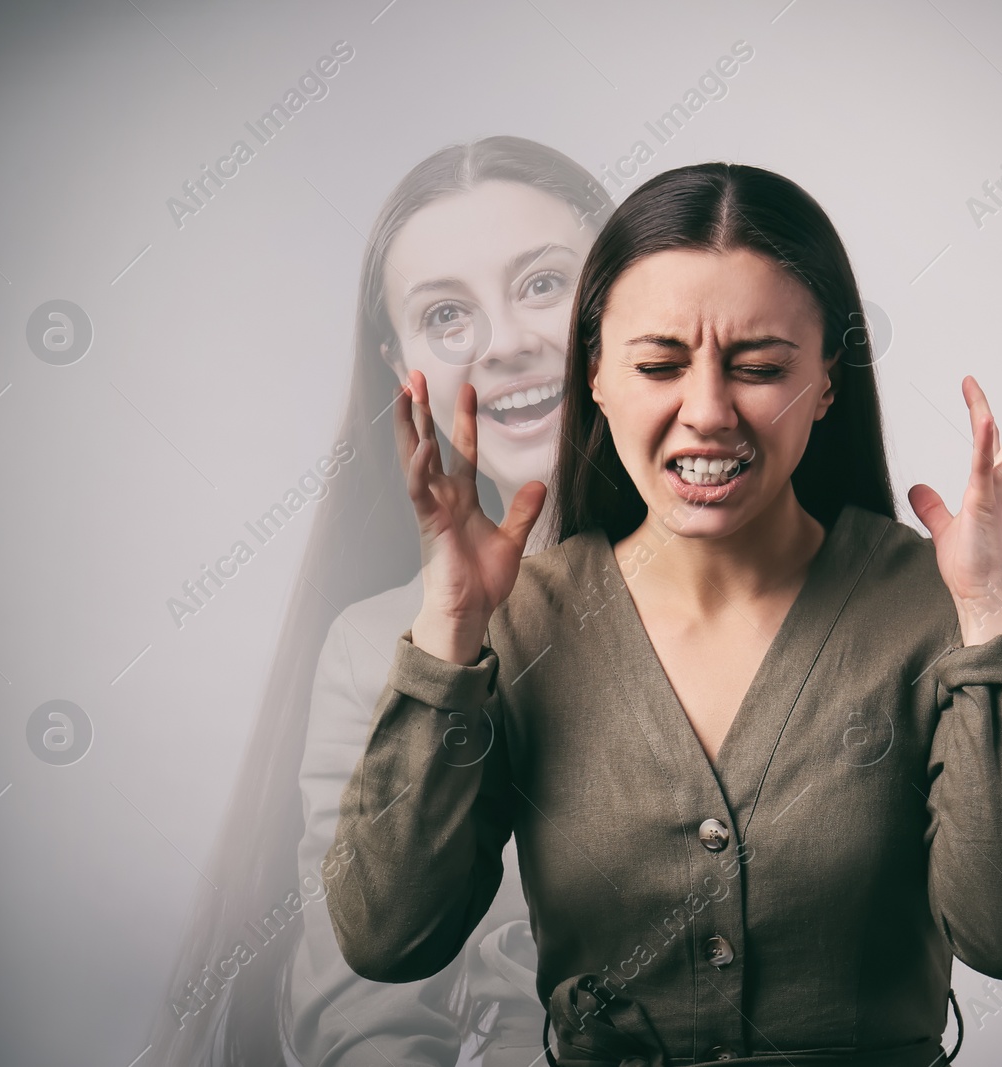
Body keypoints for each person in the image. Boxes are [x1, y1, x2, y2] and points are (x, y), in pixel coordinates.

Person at [325, 161, 1002, 1066]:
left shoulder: (935, 607)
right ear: (595, 378)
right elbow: (387, 937)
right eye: (657, 365)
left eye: (760, 368)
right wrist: (452, 629)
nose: (708, 414)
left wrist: (993, 613)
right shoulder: (519, 624)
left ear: (830, 380)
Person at [145, 135, 612, 1067]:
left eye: (542, 284)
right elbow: (368, 1014)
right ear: (404, 364)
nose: (506, 341)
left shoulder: (802, 579)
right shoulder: (379, 648)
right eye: (448, 313)